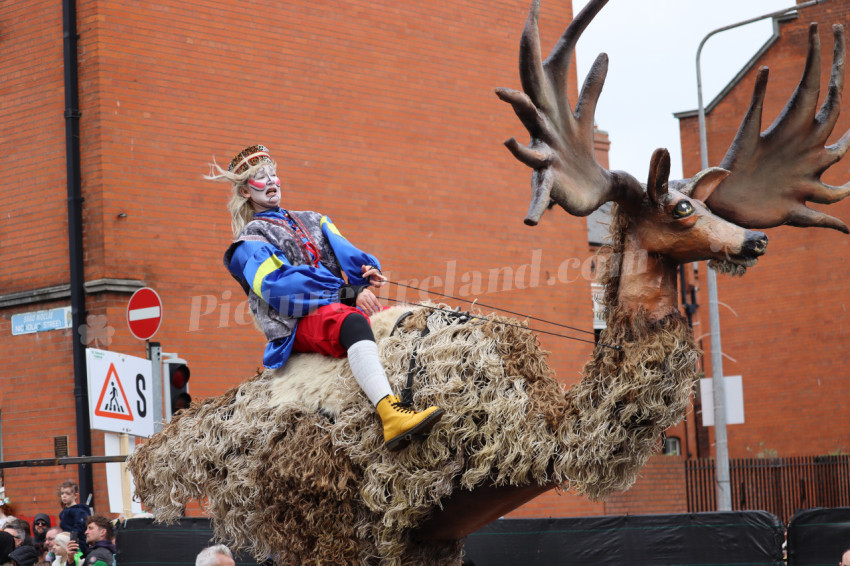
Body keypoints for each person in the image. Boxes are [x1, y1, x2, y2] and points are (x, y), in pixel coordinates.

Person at [212, 145, 444, 451]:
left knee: (404, 321)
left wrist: (365, 271)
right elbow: (277, 286)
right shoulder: (249, 244)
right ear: (244, 192)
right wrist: (346, 293)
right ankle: (391, 415)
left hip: (335, 302)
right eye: (259, 178)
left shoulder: (313, 219)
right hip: (295, 321)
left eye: (273, 174)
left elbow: (344, 252)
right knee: (352, 324)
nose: (270, 181)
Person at [56, 482, 88, 554]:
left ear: (75, 495)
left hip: (77, 544)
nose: (64, 496)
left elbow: (79, 528)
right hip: (66, 542)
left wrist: (71, 537)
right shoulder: (63, 513)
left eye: (67, 493)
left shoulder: (79, 511)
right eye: (62, 493)